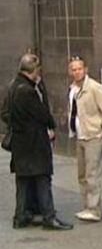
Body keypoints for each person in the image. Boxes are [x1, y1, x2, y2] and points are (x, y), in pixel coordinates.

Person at [2, 53, 72, 230]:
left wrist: (16, 125)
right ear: (33, 70)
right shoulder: (28, 91)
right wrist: (50, 125)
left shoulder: (13, 86)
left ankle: (21, 216)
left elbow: (4, 113)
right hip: (34, 142)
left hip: (20, 143)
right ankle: (49, 217)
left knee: (23, 181)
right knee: (42, 178)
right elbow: (42, 114)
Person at [67, 56, 102, 222]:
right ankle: (87, 205)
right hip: (80, 135)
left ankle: (94, 209)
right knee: (82, 174)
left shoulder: (94, 88)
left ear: (85, 70)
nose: (77, 72)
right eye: (73, 69)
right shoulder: (73, 89)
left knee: (92, 173)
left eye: (79, 69)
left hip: (93, 136)